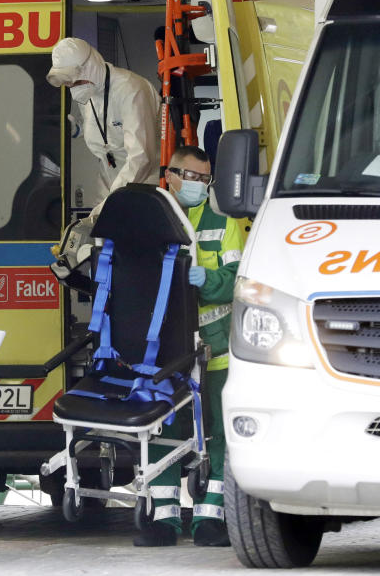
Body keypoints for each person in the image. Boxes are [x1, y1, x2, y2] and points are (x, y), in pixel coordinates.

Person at [133, 146, 243, 549]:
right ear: (171, 175)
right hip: (166, 353)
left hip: (215, 350)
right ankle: (163, 519)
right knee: (165, 430)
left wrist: (208, 279)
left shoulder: (223, 223)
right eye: (193, 178)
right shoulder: (148, 223)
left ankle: (209, 519)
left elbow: (237, 279)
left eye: (205, 179)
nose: (200, 186)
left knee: (219, 434)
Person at [47, 37, 161, 210]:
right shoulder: (89, 91)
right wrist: (77, 130)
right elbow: (103, 129)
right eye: (67, 82)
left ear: (90, 68)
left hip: (146, 183)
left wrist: (112, 200)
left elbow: (142, 157)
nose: (71, 86)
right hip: (110, 178)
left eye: (75, 80)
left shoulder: (130, 89)